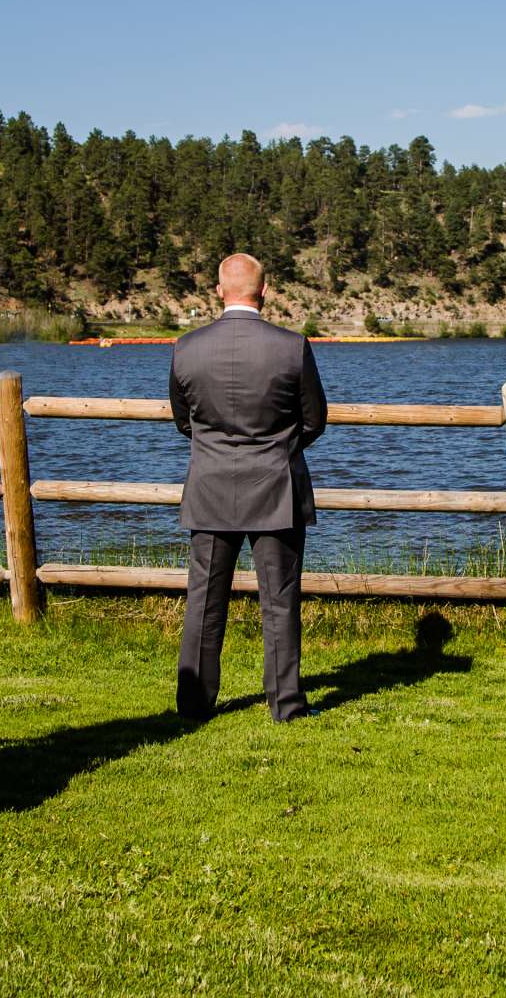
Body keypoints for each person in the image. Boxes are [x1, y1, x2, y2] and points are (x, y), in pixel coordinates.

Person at [167, 253, 328, 723]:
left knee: (204, 601)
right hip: (276, 487)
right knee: (280, 603)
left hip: (211, 486)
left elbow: (185, 422)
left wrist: (218, 450)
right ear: (266, 289)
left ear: (219, 290)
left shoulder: (187, 348)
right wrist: (279, 449)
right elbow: (314, 419)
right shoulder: (291, 346)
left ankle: (193, 704)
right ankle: (286, 705)